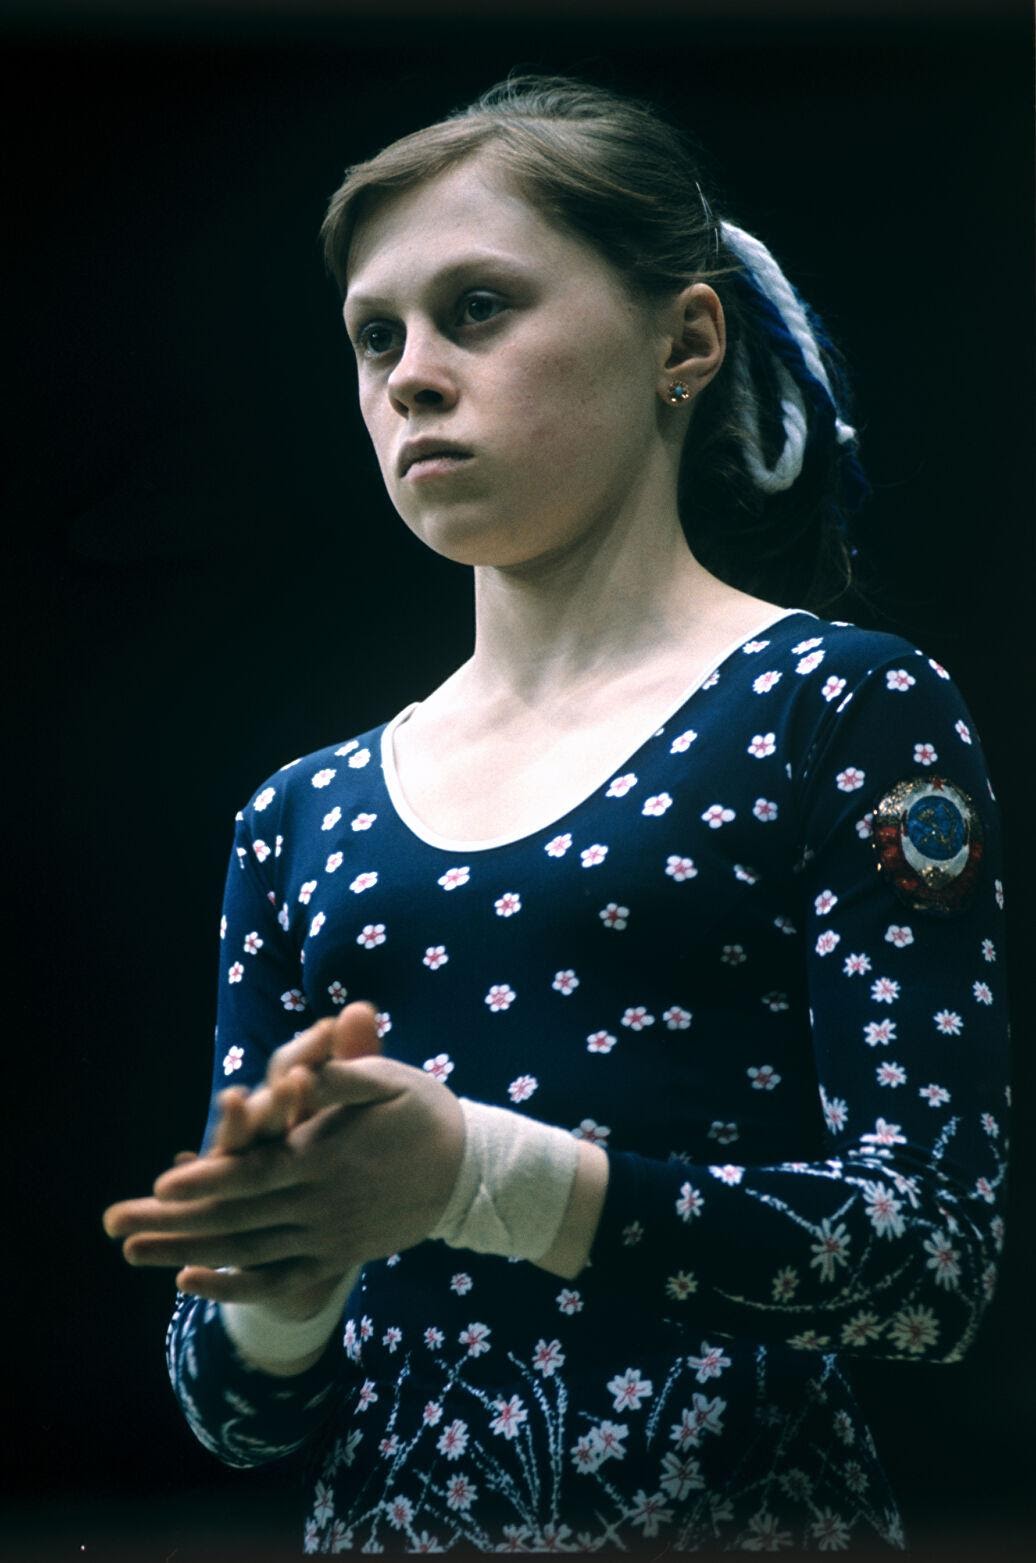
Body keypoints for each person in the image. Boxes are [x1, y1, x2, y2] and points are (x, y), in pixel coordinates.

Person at [104, 74, 1010, 1555]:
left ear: (684, 341)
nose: (411, 375)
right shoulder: (301, 817)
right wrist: (283, 1279)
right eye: (375, 337)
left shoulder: (837, 709)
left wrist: (478, 1176)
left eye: (478, 309)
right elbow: (236, 1417)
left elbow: (934, 1267)